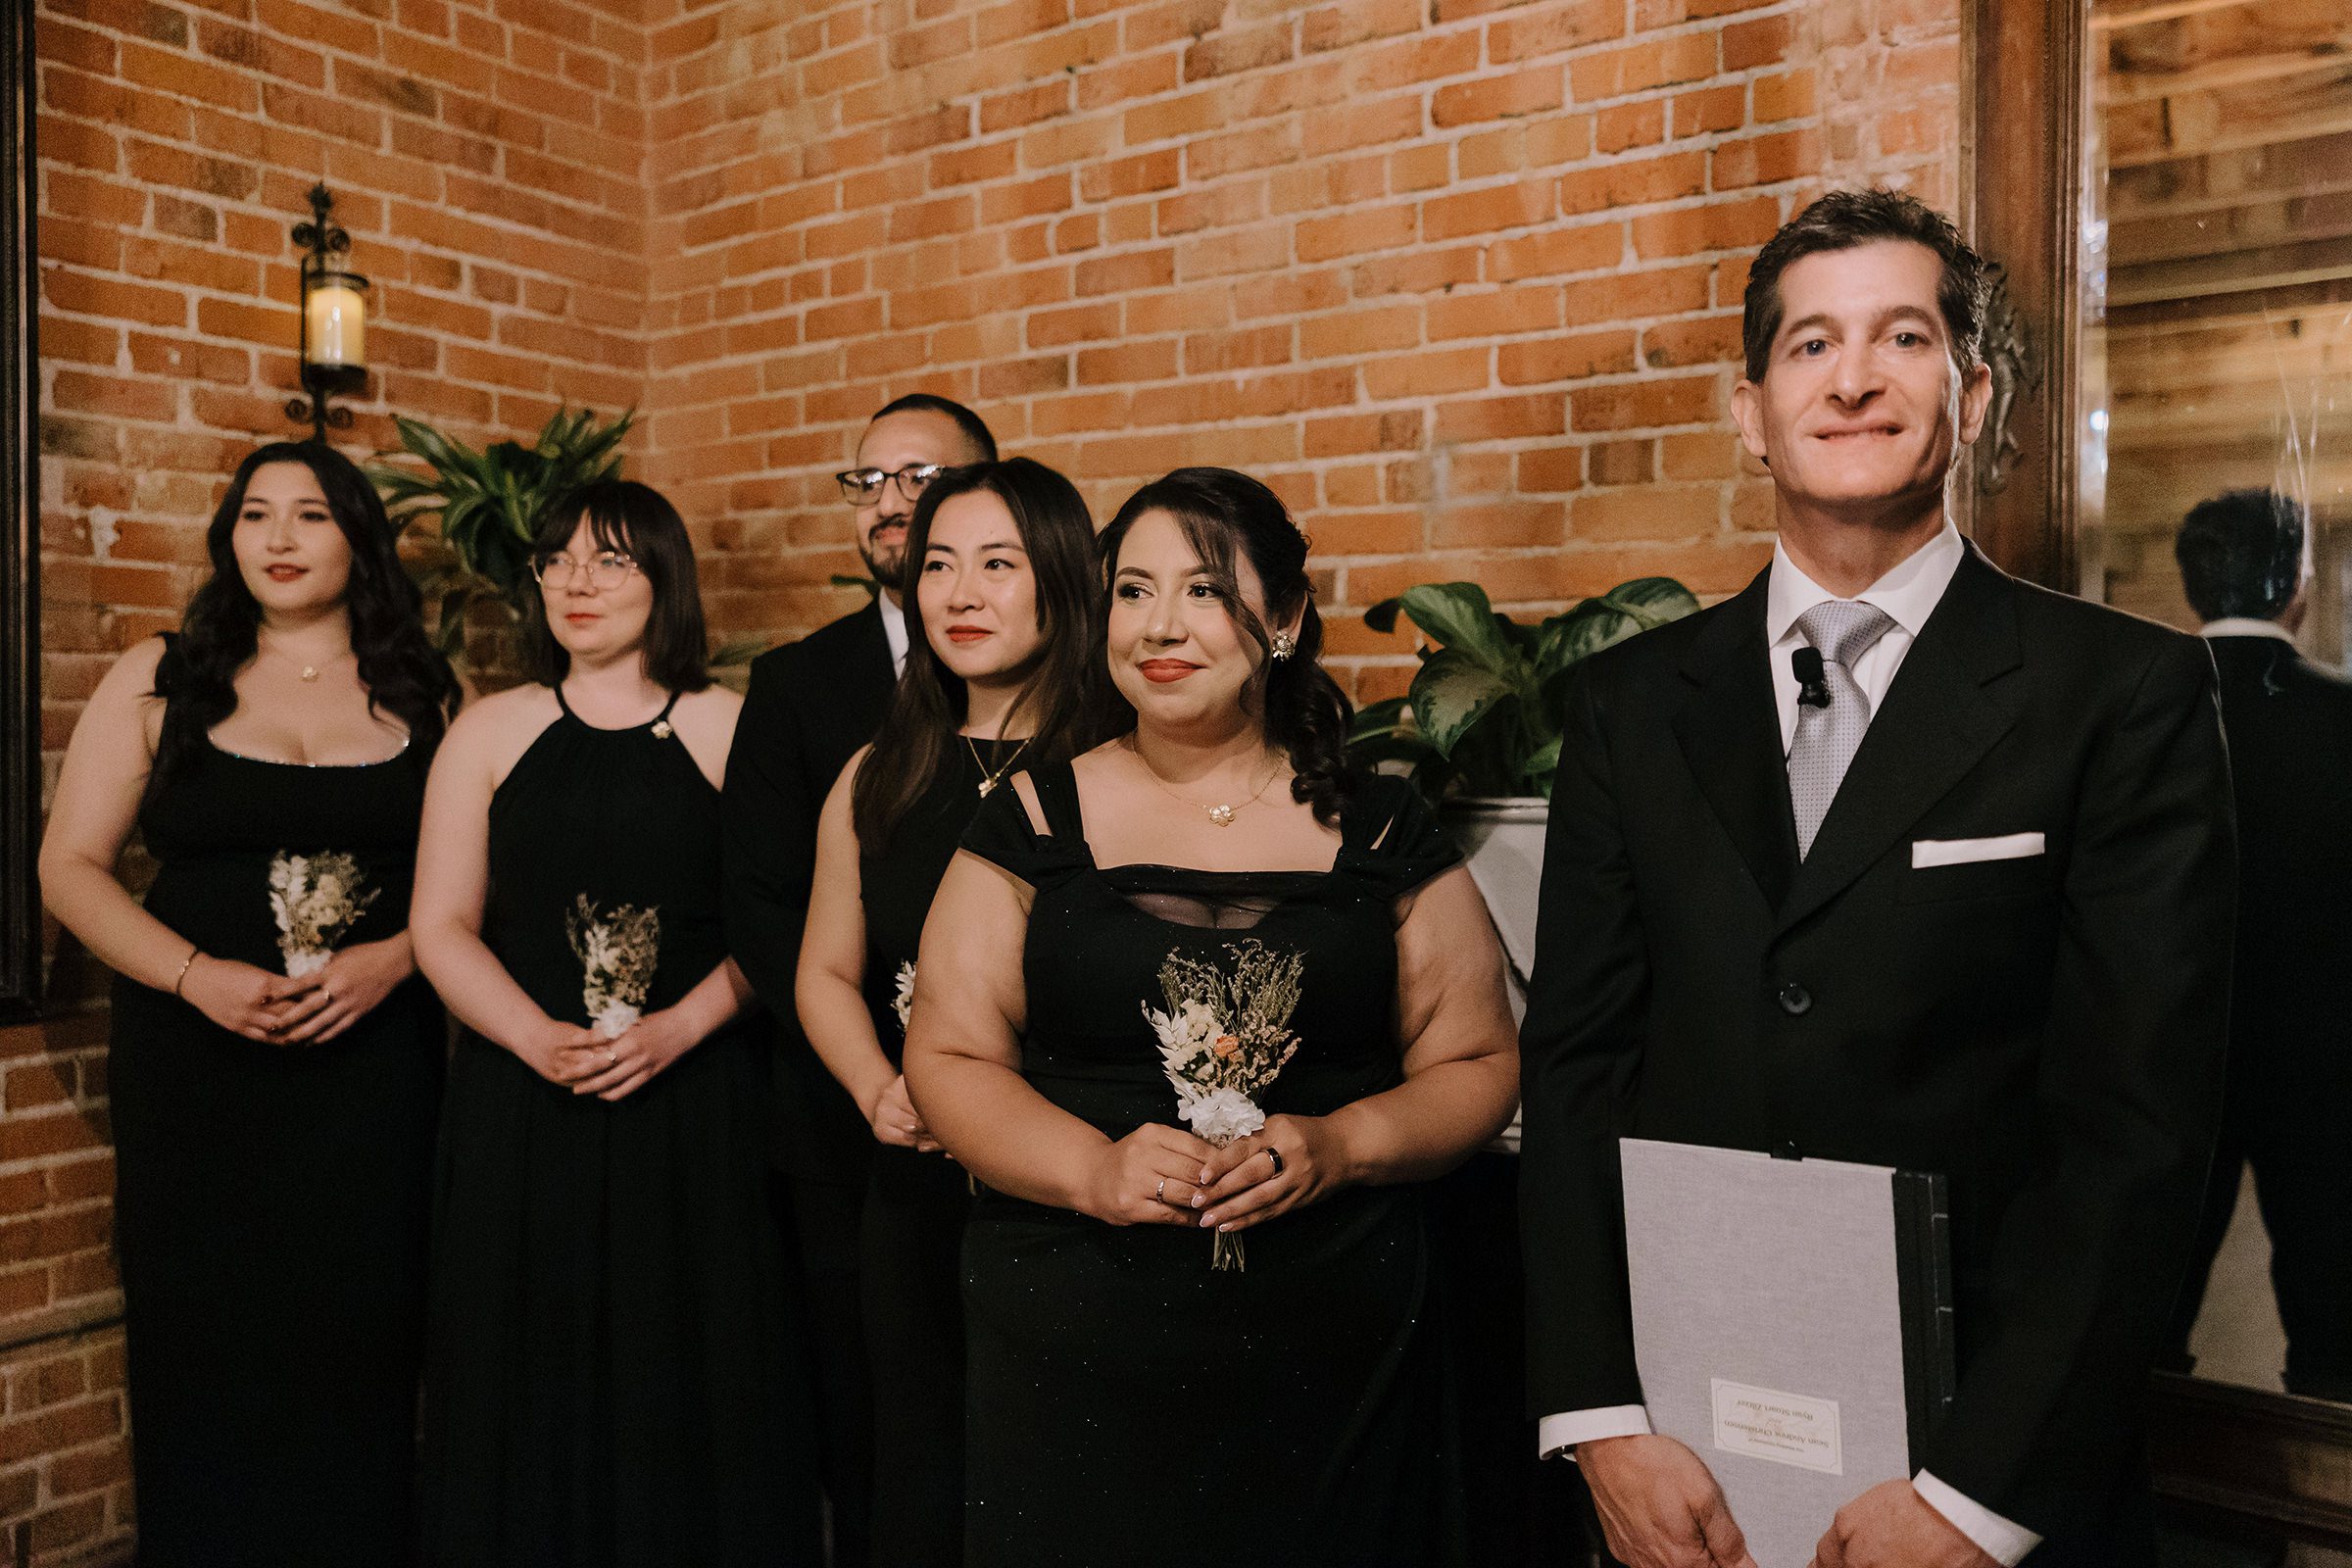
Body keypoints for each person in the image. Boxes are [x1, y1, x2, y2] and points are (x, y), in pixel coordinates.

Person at [1520, 188, 2234, 1568]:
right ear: (1751, 411)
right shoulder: (1628, 706)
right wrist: (1601, 1419)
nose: (1852, 380)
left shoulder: (2122, 694)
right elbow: (1576, 1073)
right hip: (1688, 1468)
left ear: (1973, 397)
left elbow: (2137, 1136)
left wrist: (1974, 1501)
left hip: (1990, 1470)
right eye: (1811, 346)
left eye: (1902, 339)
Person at [904, 466, 1520, 1568]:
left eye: (1204, 590)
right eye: (1133, 592)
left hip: (1333, 1337)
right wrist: (1091, 1169)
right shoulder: (1028, 821)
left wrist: (1345, 1143)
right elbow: (949, 1054)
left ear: (1283, 617)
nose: (1160, 626)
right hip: (1076, 1340)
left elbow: (1477, 1058)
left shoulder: (1381, 828)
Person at [38, 441, 459, 1566]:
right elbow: (68, 867)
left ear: (357, 538)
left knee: (363, 1331)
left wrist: (397, 960)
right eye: (255, 513)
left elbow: (476, 885)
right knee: (205, 1335)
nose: (278, 537)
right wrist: (194, 973)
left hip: (373, 1072)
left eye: (310, 514)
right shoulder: (161, 673)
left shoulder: (423, 689)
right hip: (197, 1071)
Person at [411, 480, 819, 1566]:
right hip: (522, 1105)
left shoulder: (729, 727)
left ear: (665, 579)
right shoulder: (488, 730)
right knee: (526, 1362)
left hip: (696, 1100)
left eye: (610, 560)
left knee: (688, 1360)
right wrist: (531, 1036)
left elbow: (785, 925)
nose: (576, 582)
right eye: (557, 561)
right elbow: (440, 927)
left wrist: (682, 1027)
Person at [797, 458, 1103, 1563]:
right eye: (938, 566)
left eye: (998, 564)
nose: (961, 594)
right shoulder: (876, 772)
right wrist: (879, 1086)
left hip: (1076, 1184)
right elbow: (825, 972)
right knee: (925, 1472)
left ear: (1062, 580)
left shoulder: (1116, 769)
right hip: (917, 1186)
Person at [724, 394, 997, 1566]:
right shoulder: (796, 681)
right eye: (868, 479)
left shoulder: (1080, 698)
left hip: (1034, 1125)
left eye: (920, 476)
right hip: (850, 1121)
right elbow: (762, 903)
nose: (888, 501)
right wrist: (879, 1074)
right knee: (877, 1431)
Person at [2164, 488, 2352, 1401]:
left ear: (2193, 584)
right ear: (2298, 584)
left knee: (2148, 1315)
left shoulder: (2140, 704)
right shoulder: (2344, 714)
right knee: (2334, 1323)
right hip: (2325, 1061)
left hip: (2168, 1053)